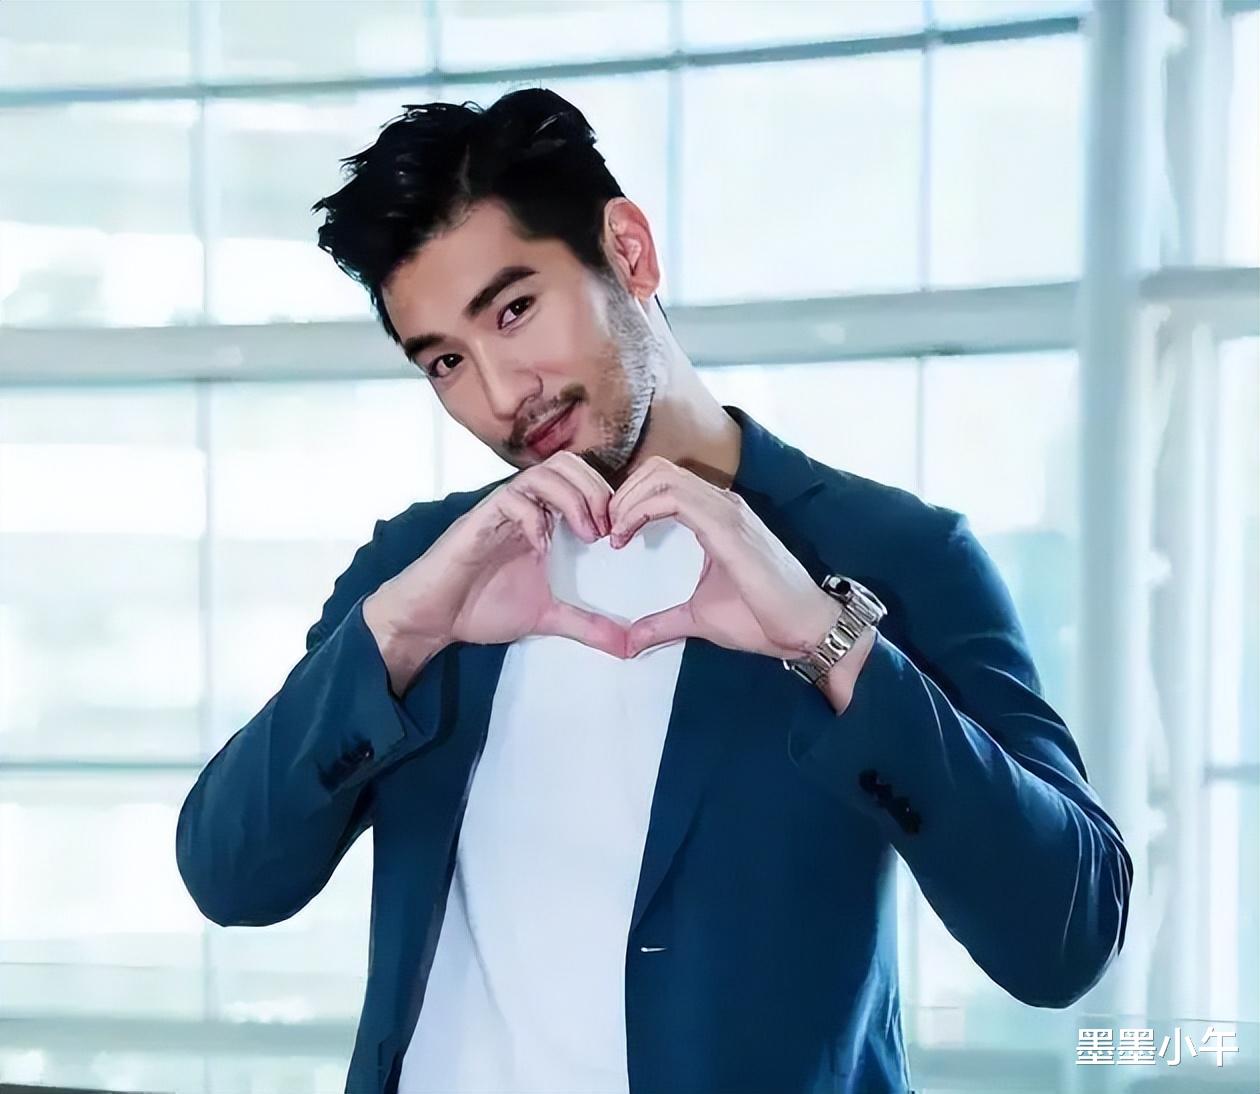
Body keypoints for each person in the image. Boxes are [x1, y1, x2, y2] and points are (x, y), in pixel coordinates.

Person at [175, 87, 1133, 1094]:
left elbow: (1064, 937)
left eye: (515, 310)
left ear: (627, 252)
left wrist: (830, 643)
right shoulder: (426, 566)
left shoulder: (889, 553)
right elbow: (229, 876)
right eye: (447, 361)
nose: (500, 395)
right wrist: (399, 637)